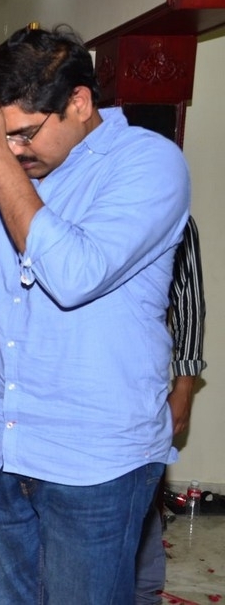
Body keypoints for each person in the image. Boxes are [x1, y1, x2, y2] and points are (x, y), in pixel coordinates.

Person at [0, 25, 190, 604]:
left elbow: (72, 277)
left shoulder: (147, 163)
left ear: (80, 102)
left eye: (25, 134)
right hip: (3, 443)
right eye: (4, 136)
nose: (16, 149)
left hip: (95, 457)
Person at [135, 215, 206, 604]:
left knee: (140, 496)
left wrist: (184, 385)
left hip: (141, 389)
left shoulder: (166, 205)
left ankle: (144, 593)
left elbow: (189, 305)